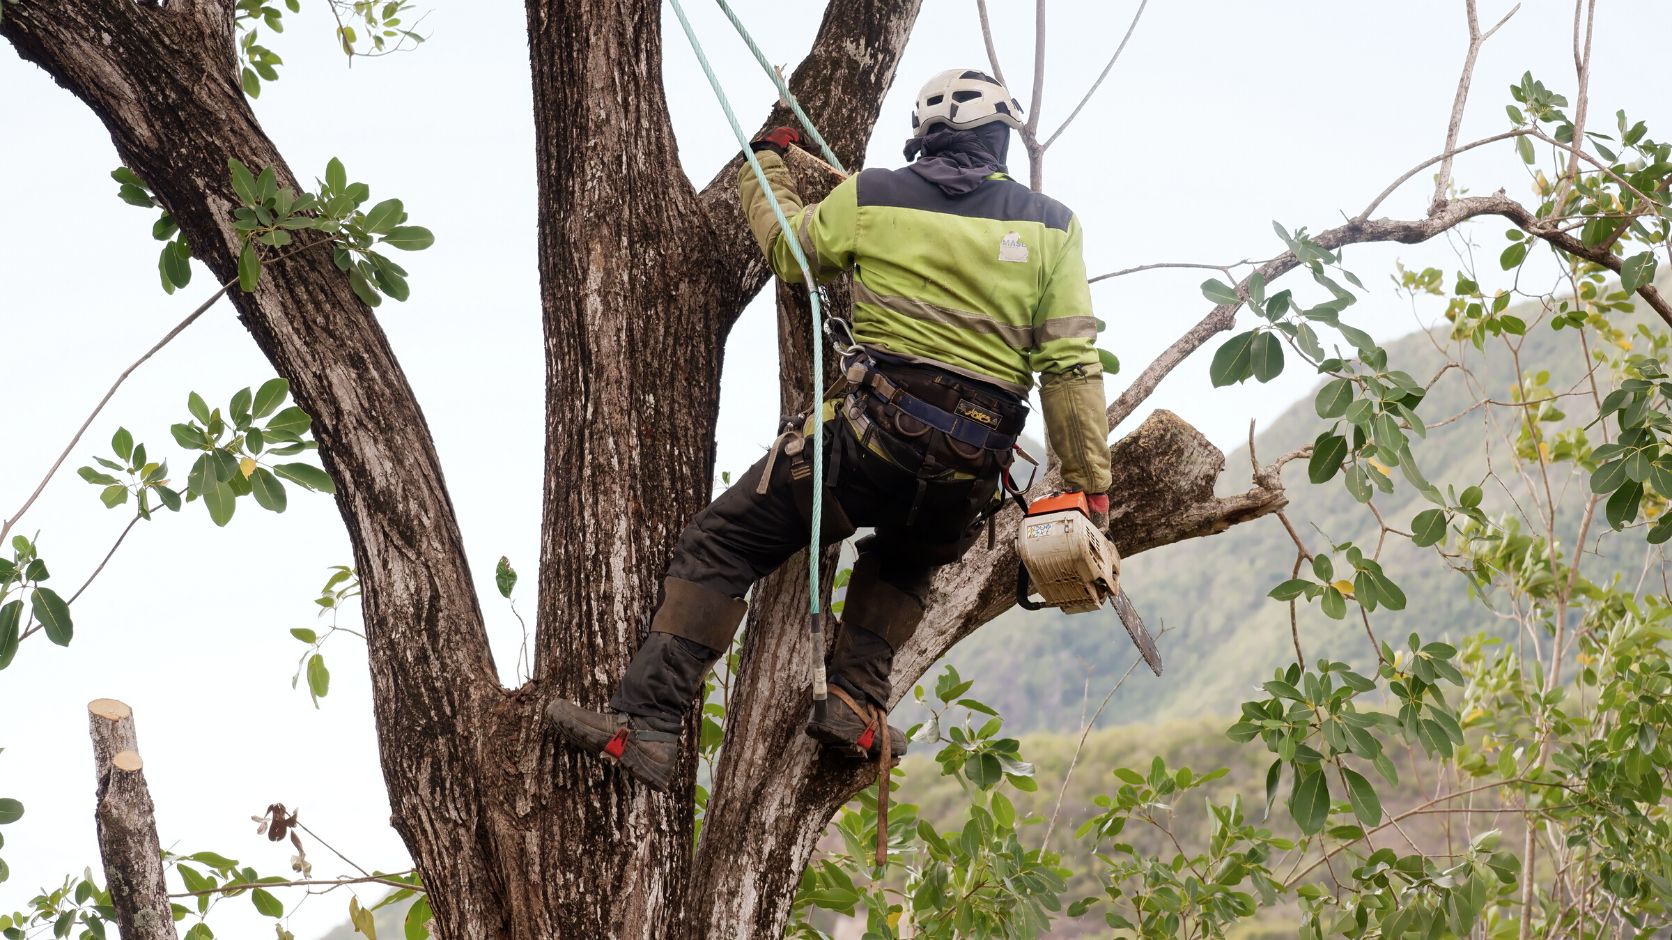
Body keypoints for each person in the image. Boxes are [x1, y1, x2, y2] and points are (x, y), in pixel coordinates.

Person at [549, 68, 1113, 790]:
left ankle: (650, 723)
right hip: (968, 475)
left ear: (925, 137)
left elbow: (789, 248)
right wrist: (1090, 489)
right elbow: (1069, 362)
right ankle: (854, 703)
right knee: (906, 560)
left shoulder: (875, 193)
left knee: (724, 541)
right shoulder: (1051, 226)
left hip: (868, 449)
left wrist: (764, 163)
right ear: (1000, 138)